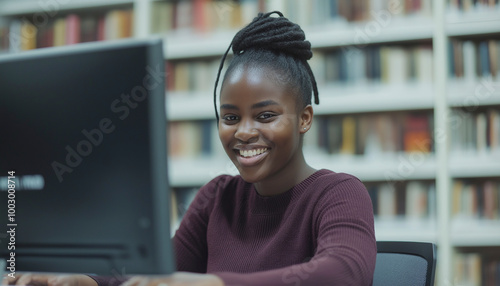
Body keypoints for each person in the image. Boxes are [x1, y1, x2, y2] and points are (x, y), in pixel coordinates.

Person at [3, 11, 376, 286]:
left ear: (304, 118)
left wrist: (210, 284)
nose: (243, 132)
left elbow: (342, 273)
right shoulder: (218, 197)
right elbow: (150, 274)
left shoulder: (339, 193)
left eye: (265, 116)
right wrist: (78, 279)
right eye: (230, 118)